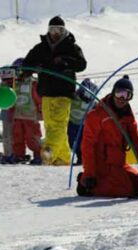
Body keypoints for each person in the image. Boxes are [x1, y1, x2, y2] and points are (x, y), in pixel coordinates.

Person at [23, 16, 87, 166]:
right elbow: (27, 63)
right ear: (48, 30)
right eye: (53, 29)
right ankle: (63, 157)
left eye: (59, 30)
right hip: (46, 92)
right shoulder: (41, 47)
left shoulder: (71, 47)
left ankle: (49, 152)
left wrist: (65, 61)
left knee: (58, 124)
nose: (55, 33)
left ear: (64, 31)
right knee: (50, 125)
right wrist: (31, 69)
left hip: (63, 93)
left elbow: (82, 64)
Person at [77, 76, 138, 198]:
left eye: (127, 95)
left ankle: (95, 183)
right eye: (119, 93)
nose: (122, 99)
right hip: (102, 165)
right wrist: (89, 173)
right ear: (113, 93)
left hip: (119, 163)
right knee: (128, 191)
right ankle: (85, 184)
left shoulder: (127, 115)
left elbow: (136, 140)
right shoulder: (98, 114)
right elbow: (88, 145)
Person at [11, 61, 44, 164]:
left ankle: (39, 155)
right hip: (18, 115)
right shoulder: (15, 84)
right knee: (17, 137)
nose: (16, 74)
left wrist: (40, 108)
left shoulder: (32, 83)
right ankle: (18, 155)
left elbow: (37, 97)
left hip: (30, 116)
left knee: (33, 137)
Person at [68, 78, 99, 166]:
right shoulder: (73, 97)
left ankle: (81, 158)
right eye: (86, 94)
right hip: (71, 123)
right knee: (69, 140)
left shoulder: (93, 103)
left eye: (90, 95)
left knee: (82, 143)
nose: (87, 98)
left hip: (83, 125)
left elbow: (98, 109)